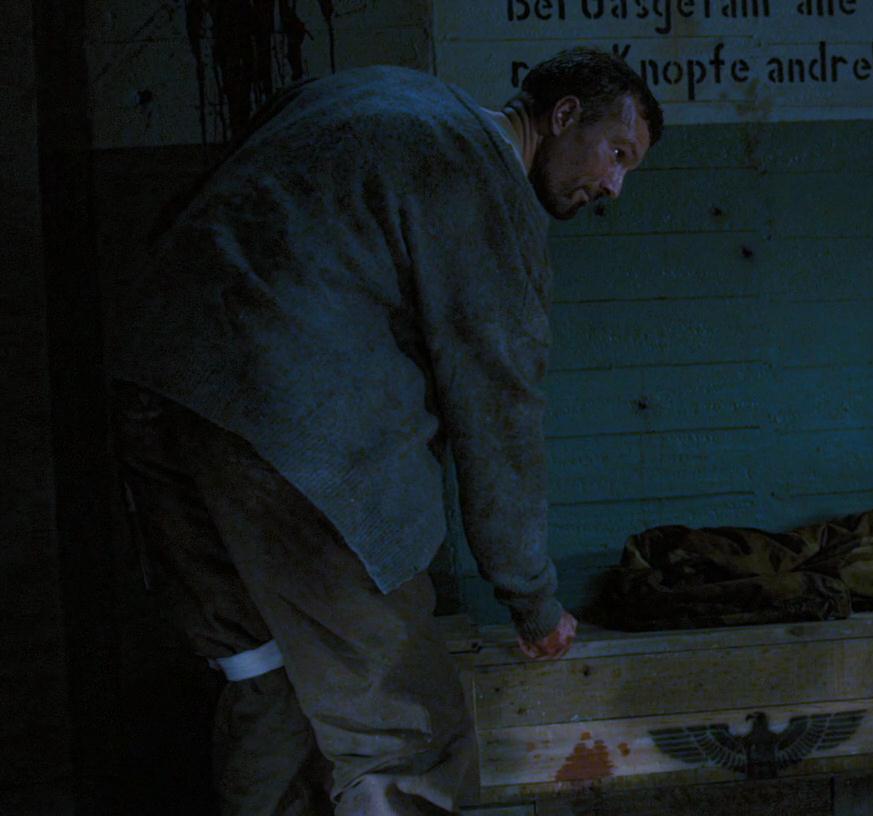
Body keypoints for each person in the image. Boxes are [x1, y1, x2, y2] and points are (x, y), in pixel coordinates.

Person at [110, 47, 663, 815]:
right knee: (405, 739)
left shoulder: (368, 94)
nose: (612, 187)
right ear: (564, 115)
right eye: (617, 154)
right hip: (298, 441)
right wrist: (533, 602)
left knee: (266, 677)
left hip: (158, 395)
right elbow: (499, 419)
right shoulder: (486, 188)